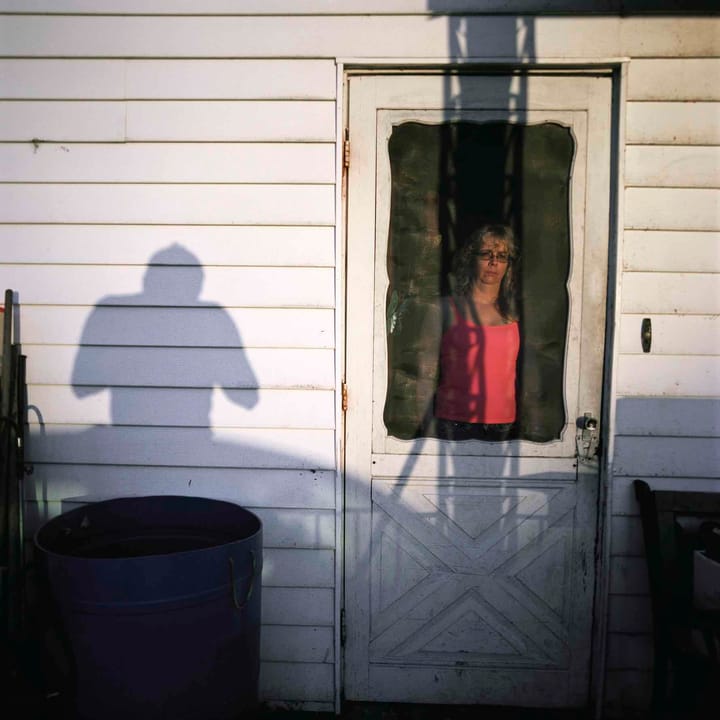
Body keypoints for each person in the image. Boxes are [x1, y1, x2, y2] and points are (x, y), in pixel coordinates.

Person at [417, 224, 520, 441]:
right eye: (486, 254)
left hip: (504, 425)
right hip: (454, 422)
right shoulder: (446, 309)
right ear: (470, 258)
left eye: (501, 256)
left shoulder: (516, 314)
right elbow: (423, 373)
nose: (493, 262)